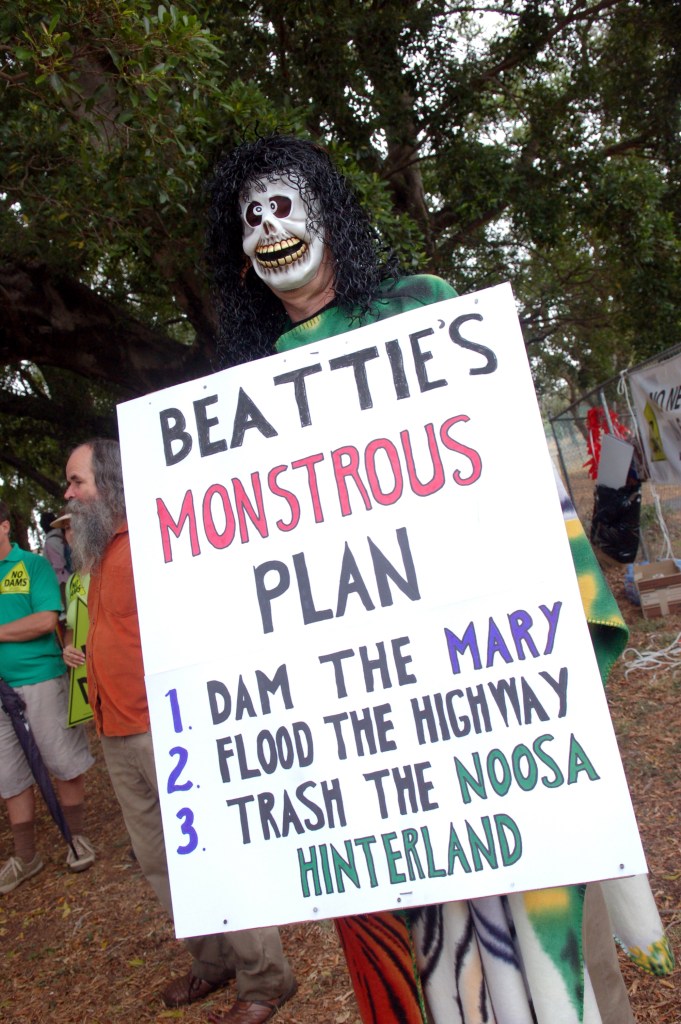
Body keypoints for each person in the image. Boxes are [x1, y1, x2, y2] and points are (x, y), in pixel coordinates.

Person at [206, 134, 674, 1024]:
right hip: (368, 733)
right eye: (249, 216)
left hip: (485, 682)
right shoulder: (246, 393)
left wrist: (559, 627)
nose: (269, 229)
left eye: (283, 204)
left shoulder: (423, 309)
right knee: (428, 967)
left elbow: (503, 461)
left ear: (328, 212)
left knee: (548, 942)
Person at [63, 439, 297, 1024]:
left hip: (168, 729)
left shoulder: (156, 543)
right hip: (116, 731)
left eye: (76, 481)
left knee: (212, 852)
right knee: (159, 861)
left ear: (109, 483)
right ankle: (213, 960)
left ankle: (266, 977)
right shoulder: (98, 554)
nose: (67, 494)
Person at [0, 500, 94, 894]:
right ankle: (26, 856)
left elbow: (43, 621)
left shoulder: (31, 567)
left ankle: (77, 838)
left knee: (63, 759)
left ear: (4, 526)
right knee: (8, 774)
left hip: (40, 679)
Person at [40, 510, 70, 608]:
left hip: (62, 581)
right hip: (71, 576)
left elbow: (58, 564)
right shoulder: (62, 536)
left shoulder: (50, 542)